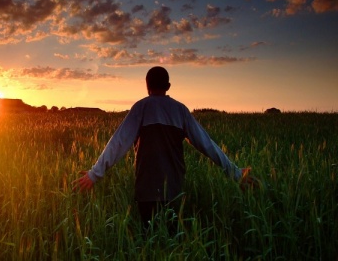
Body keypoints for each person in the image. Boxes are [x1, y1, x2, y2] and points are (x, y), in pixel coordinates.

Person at [73, 66, 252, 227]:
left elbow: (118, 142)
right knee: (171, 242)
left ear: (147, 86)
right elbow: (207, 144)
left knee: (149, 241)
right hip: (174, 189)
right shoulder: (180, 110)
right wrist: (235, 172)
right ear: (168, 86)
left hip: (146, 190)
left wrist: (94, 174)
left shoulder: (141, 107)